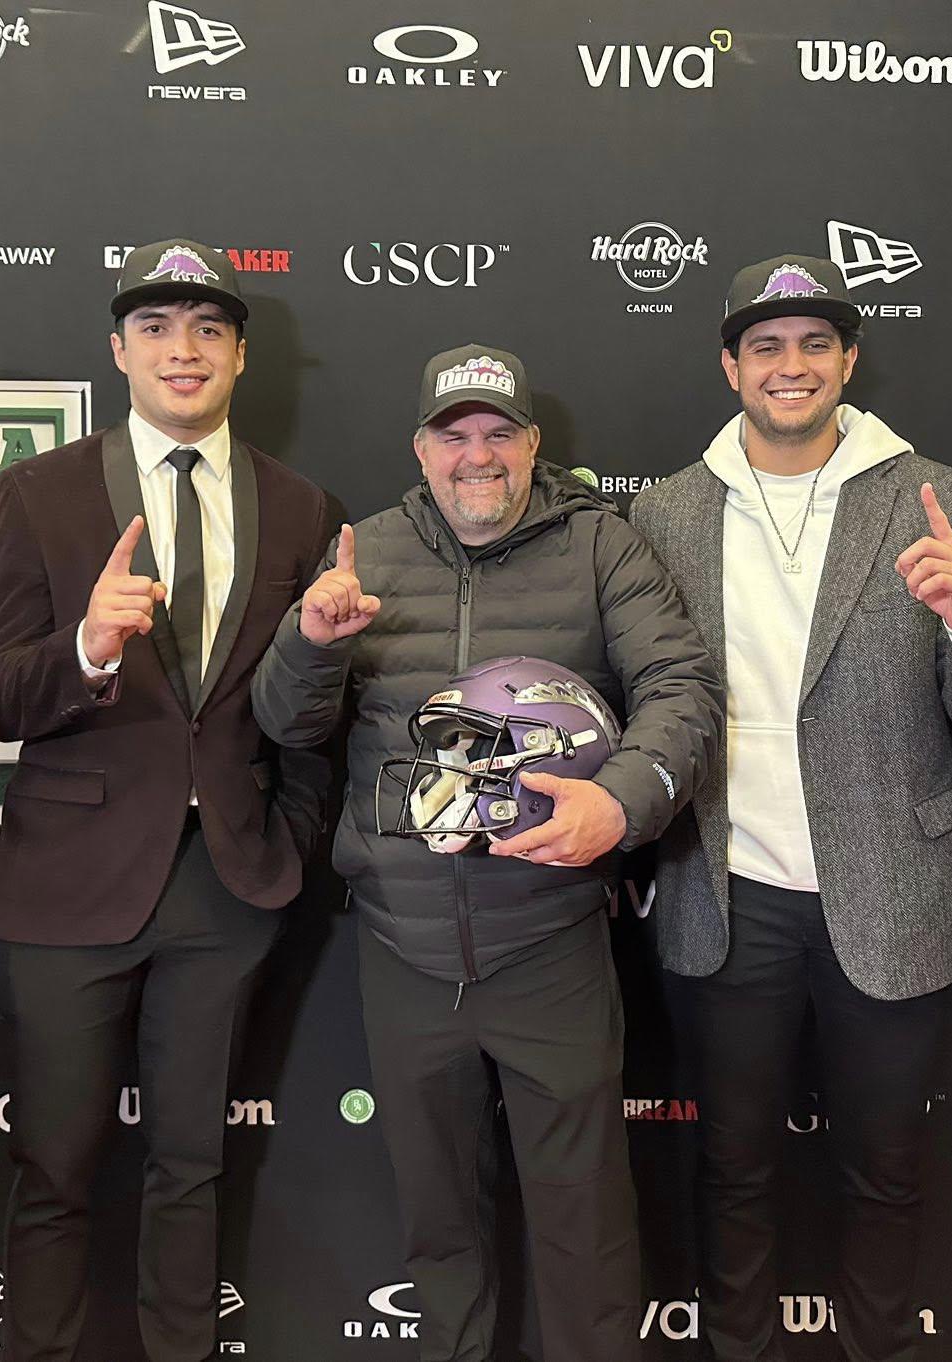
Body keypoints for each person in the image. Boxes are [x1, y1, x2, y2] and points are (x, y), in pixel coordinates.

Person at [251, 343, 722, 1362]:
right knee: (439, 1230)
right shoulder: (365, 552)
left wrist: (621, 801)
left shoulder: (601, 546)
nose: (478, 455)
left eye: (498, 433)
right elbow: (288, 725)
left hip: (549, 943)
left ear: (532, 444)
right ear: (421, 450)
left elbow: (681, 690)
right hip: (404, 949)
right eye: (454, 434)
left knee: (585, 1232)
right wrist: (310, 644)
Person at [632, 254, 952, 1361]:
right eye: (765, 346)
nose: (792, 365)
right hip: (725, 892)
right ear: (730, 367)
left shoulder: (941, 497)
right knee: (731, 1167)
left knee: (886, 1171)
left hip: (895, 890)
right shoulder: (665, 511)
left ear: (849, 361)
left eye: (816, 344)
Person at [0, 238, 336, 1362]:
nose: (185, 350)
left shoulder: (299, 505)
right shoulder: (39, 491)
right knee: (53, 1164)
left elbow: (305, 707)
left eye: (209, 329)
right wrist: (84, 646)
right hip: (66, 887)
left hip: (227, 884)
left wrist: (289, 840)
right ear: (119, 350)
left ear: (240, 356)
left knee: (192, 1164)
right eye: (158, 328)